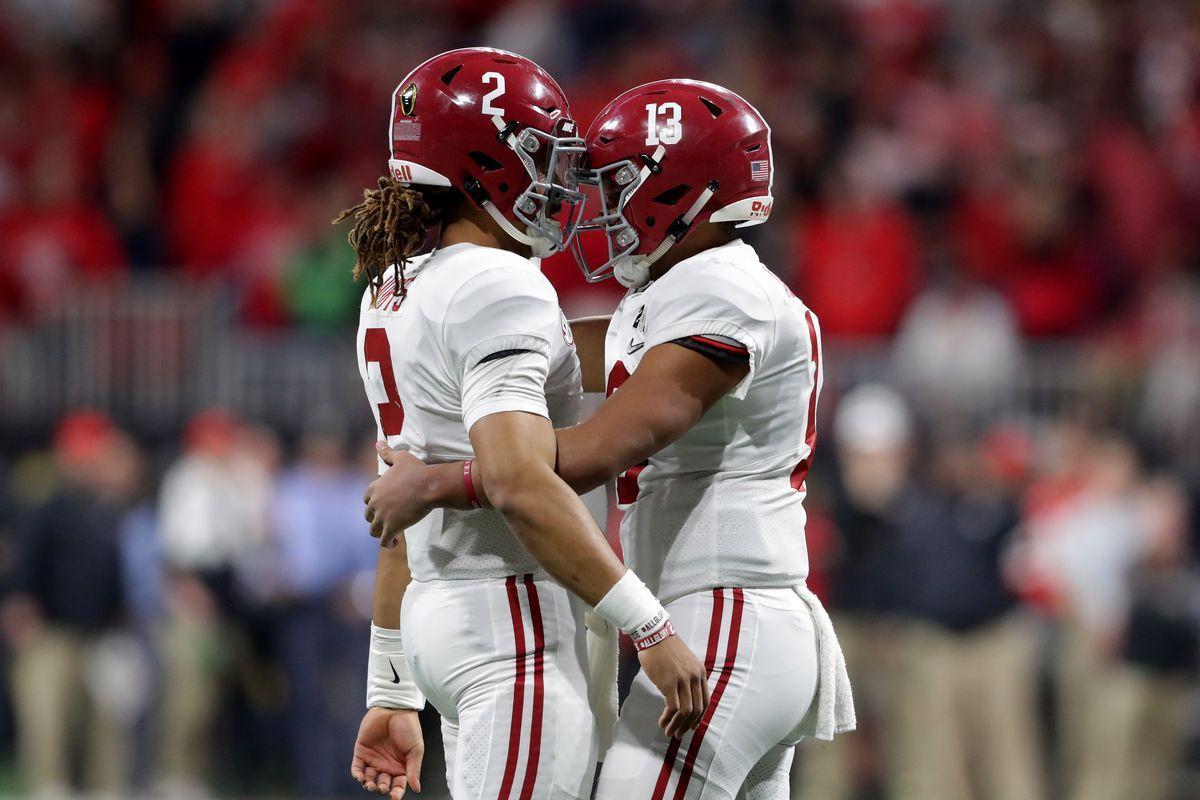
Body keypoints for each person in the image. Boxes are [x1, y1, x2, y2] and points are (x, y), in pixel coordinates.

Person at [366, 78, 855, 800]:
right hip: (724, 615)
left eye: (621, 184)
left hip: (728, 612)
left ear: (681, 188)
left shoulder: (722, 290)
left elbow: (598, 448)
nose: (601, 205)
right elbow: (554, 360)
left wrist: (439, 478)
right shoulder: (675, 290)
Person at [344, 49, 709, 800]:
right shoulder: (497, 284)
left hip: (446, 610)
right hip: (510, 617)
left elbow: (402, 495)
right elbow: (515, 481)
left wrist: (392, 685)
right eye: (540, 155)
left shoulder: (397, 285)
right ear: (484, 162)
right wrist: (651, 626)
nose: (558, 181)